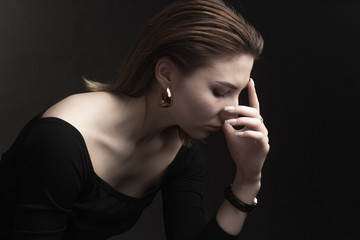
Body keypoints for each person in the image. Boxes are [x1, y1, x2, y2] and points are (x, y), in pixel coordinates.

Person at [0, 0, 269, 239]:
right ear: (166, 73)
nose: (233, 111)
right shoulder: (62, 142)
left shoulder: (180, 154)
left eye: (238, 93)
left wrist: (247, 180)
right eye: (220, 92)